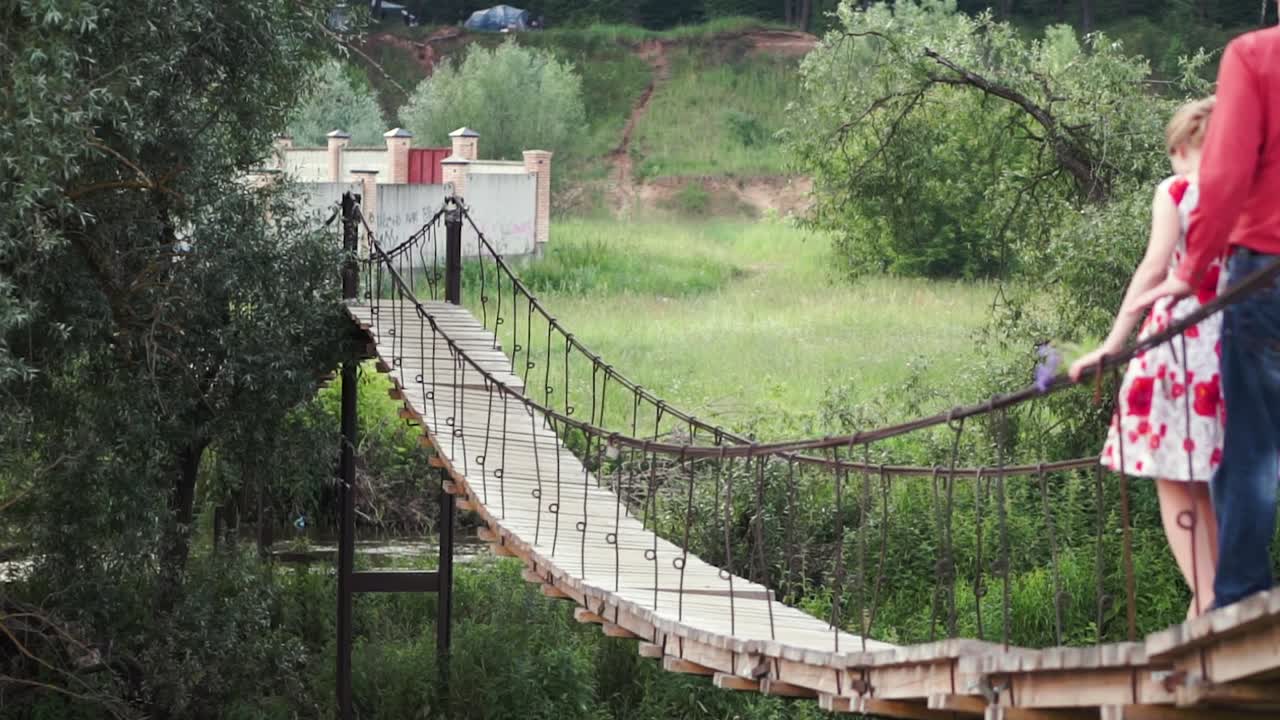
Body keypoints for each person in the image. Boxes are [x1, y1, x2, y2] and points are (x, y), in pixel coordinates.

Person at [1131, 26, 1280, 611]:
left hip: (1264, 273)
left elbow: (1225, 177)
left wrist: (1192, 274)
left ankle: (1239, 601)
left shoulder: (1256, 55)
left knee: (1254, 446)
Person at [1070, 97, 1222, 618]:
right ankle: (1224, 592)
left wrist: (1115, 342)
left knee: (1174, 477)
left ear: (1180, 149)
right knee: (1218, 472)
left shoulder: (1177, 189)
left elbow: (1155, 268)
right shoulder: (1253, 192)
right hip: (1239, 340)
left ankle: (1207, 596)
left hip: (1180, 345)